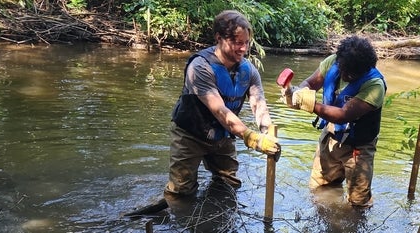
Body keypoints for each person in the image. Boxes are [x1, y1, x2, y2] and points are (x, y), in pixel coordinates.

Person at [164, 10, 280, 199]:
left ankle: (218, 218)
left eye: (246, 43)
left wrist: (267, 132)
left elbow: (259, 105)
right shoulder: (200, 67)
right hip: (190, 135)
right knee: (181, 191)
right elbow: (220, 111)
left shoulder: (249, 71)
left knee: (228, 184)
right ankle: (180, 217)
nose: (243, 49)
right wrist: (252, 138)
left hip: (222, 137)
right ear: (219, 38)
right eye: (237, 42)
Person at [282, 35, 387, 207]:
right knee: (321, 189)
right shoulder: (334, 62)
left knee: (358, 202)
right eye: (343, 70)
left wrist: (310, 104)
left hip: (358, 147)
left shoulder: (375, 86)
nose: (345, 76)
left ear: (363, 70)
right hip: (331, 137)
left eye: (351, 74)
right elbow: (311, 82)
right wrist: (297, 93)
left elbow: (343, 115)